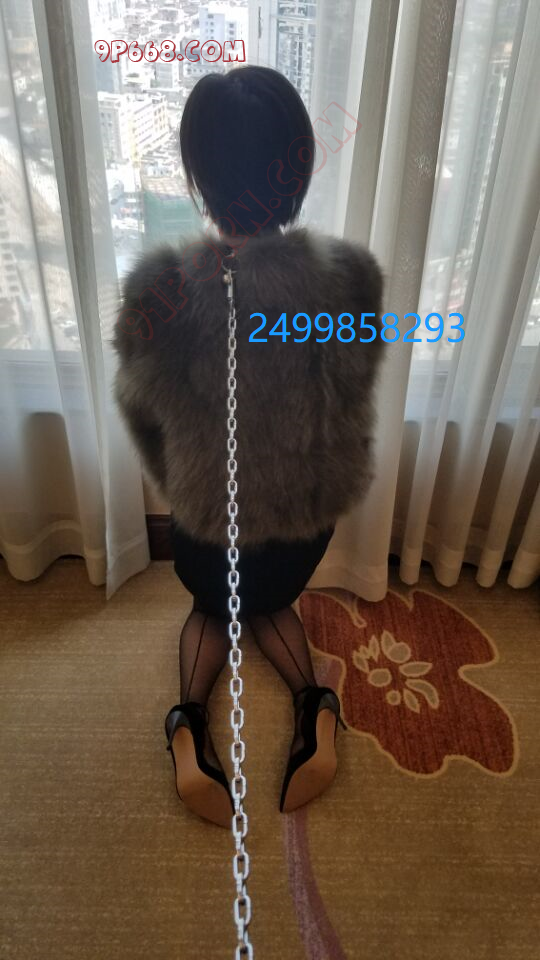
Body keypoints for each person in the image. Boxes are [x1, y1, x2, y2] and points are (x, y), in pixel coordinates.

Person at [113, 66, 385, 828]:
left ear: (200, 178)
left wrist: (187, 485)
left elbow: (141, 412)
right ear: (296, 170)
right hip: (301, 519)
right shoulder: (350, 280)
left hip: (210, 521)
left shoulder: (161, 290)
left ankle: (188, 724)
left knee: (214, 606)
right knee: (268, 600)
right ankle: (314, 704)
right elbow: (351, 403)